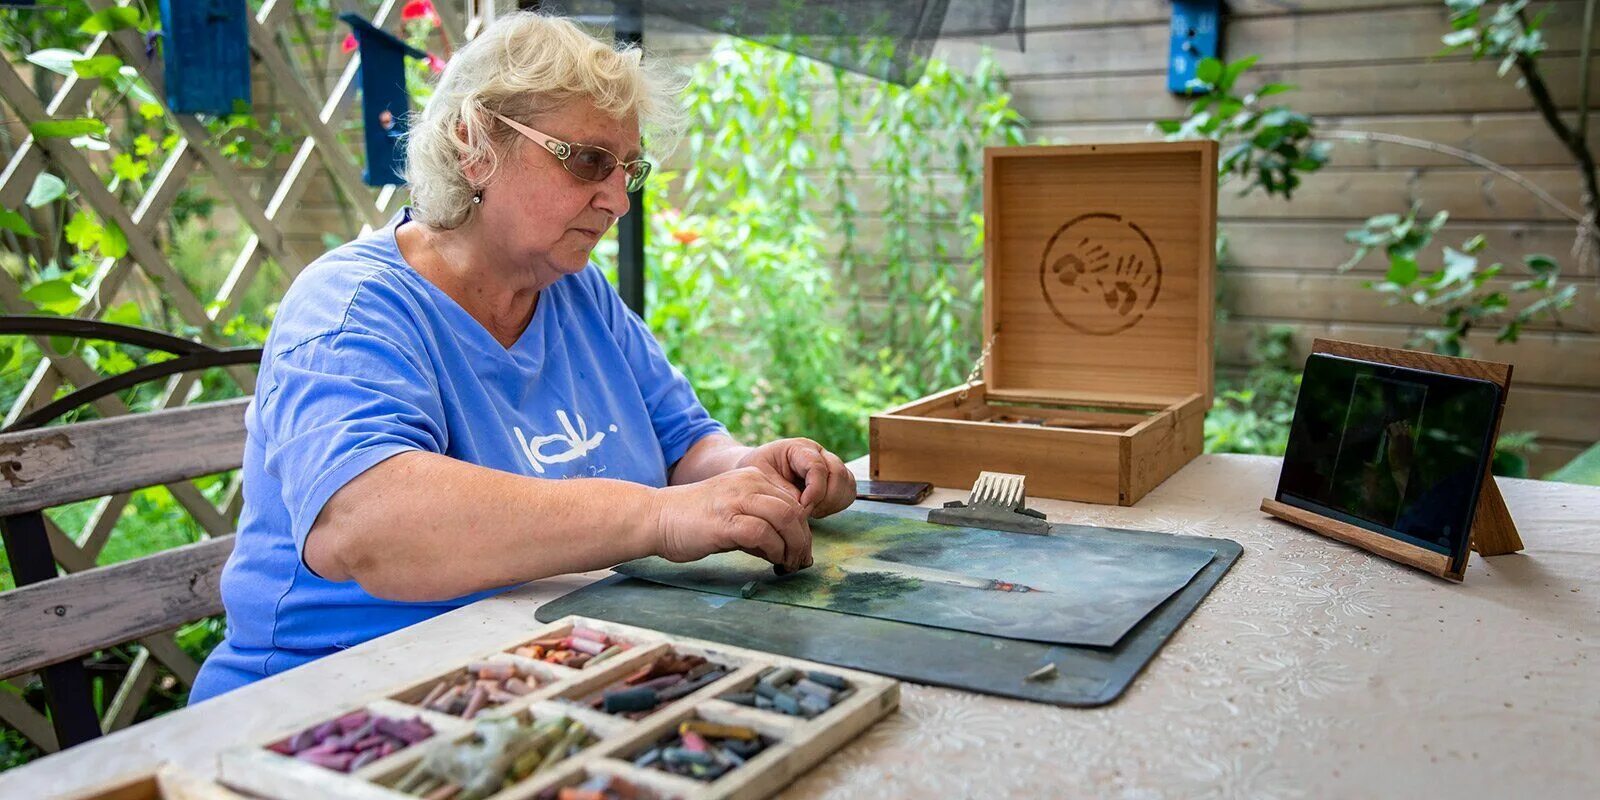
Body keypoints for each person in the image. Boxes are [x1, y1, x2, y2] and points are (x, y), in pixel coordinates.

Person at [190, 11, 855, 702]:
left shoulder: (574, 291)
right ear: (474, 143)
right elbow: (370, 527)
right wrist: (660, 517)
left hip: (541, 678)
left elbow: (685, 445)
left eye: (629, 169)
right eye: (590, 162)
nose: (618, 200)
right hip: (339, 702)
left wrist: (751, 475)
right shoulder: (354, 307)